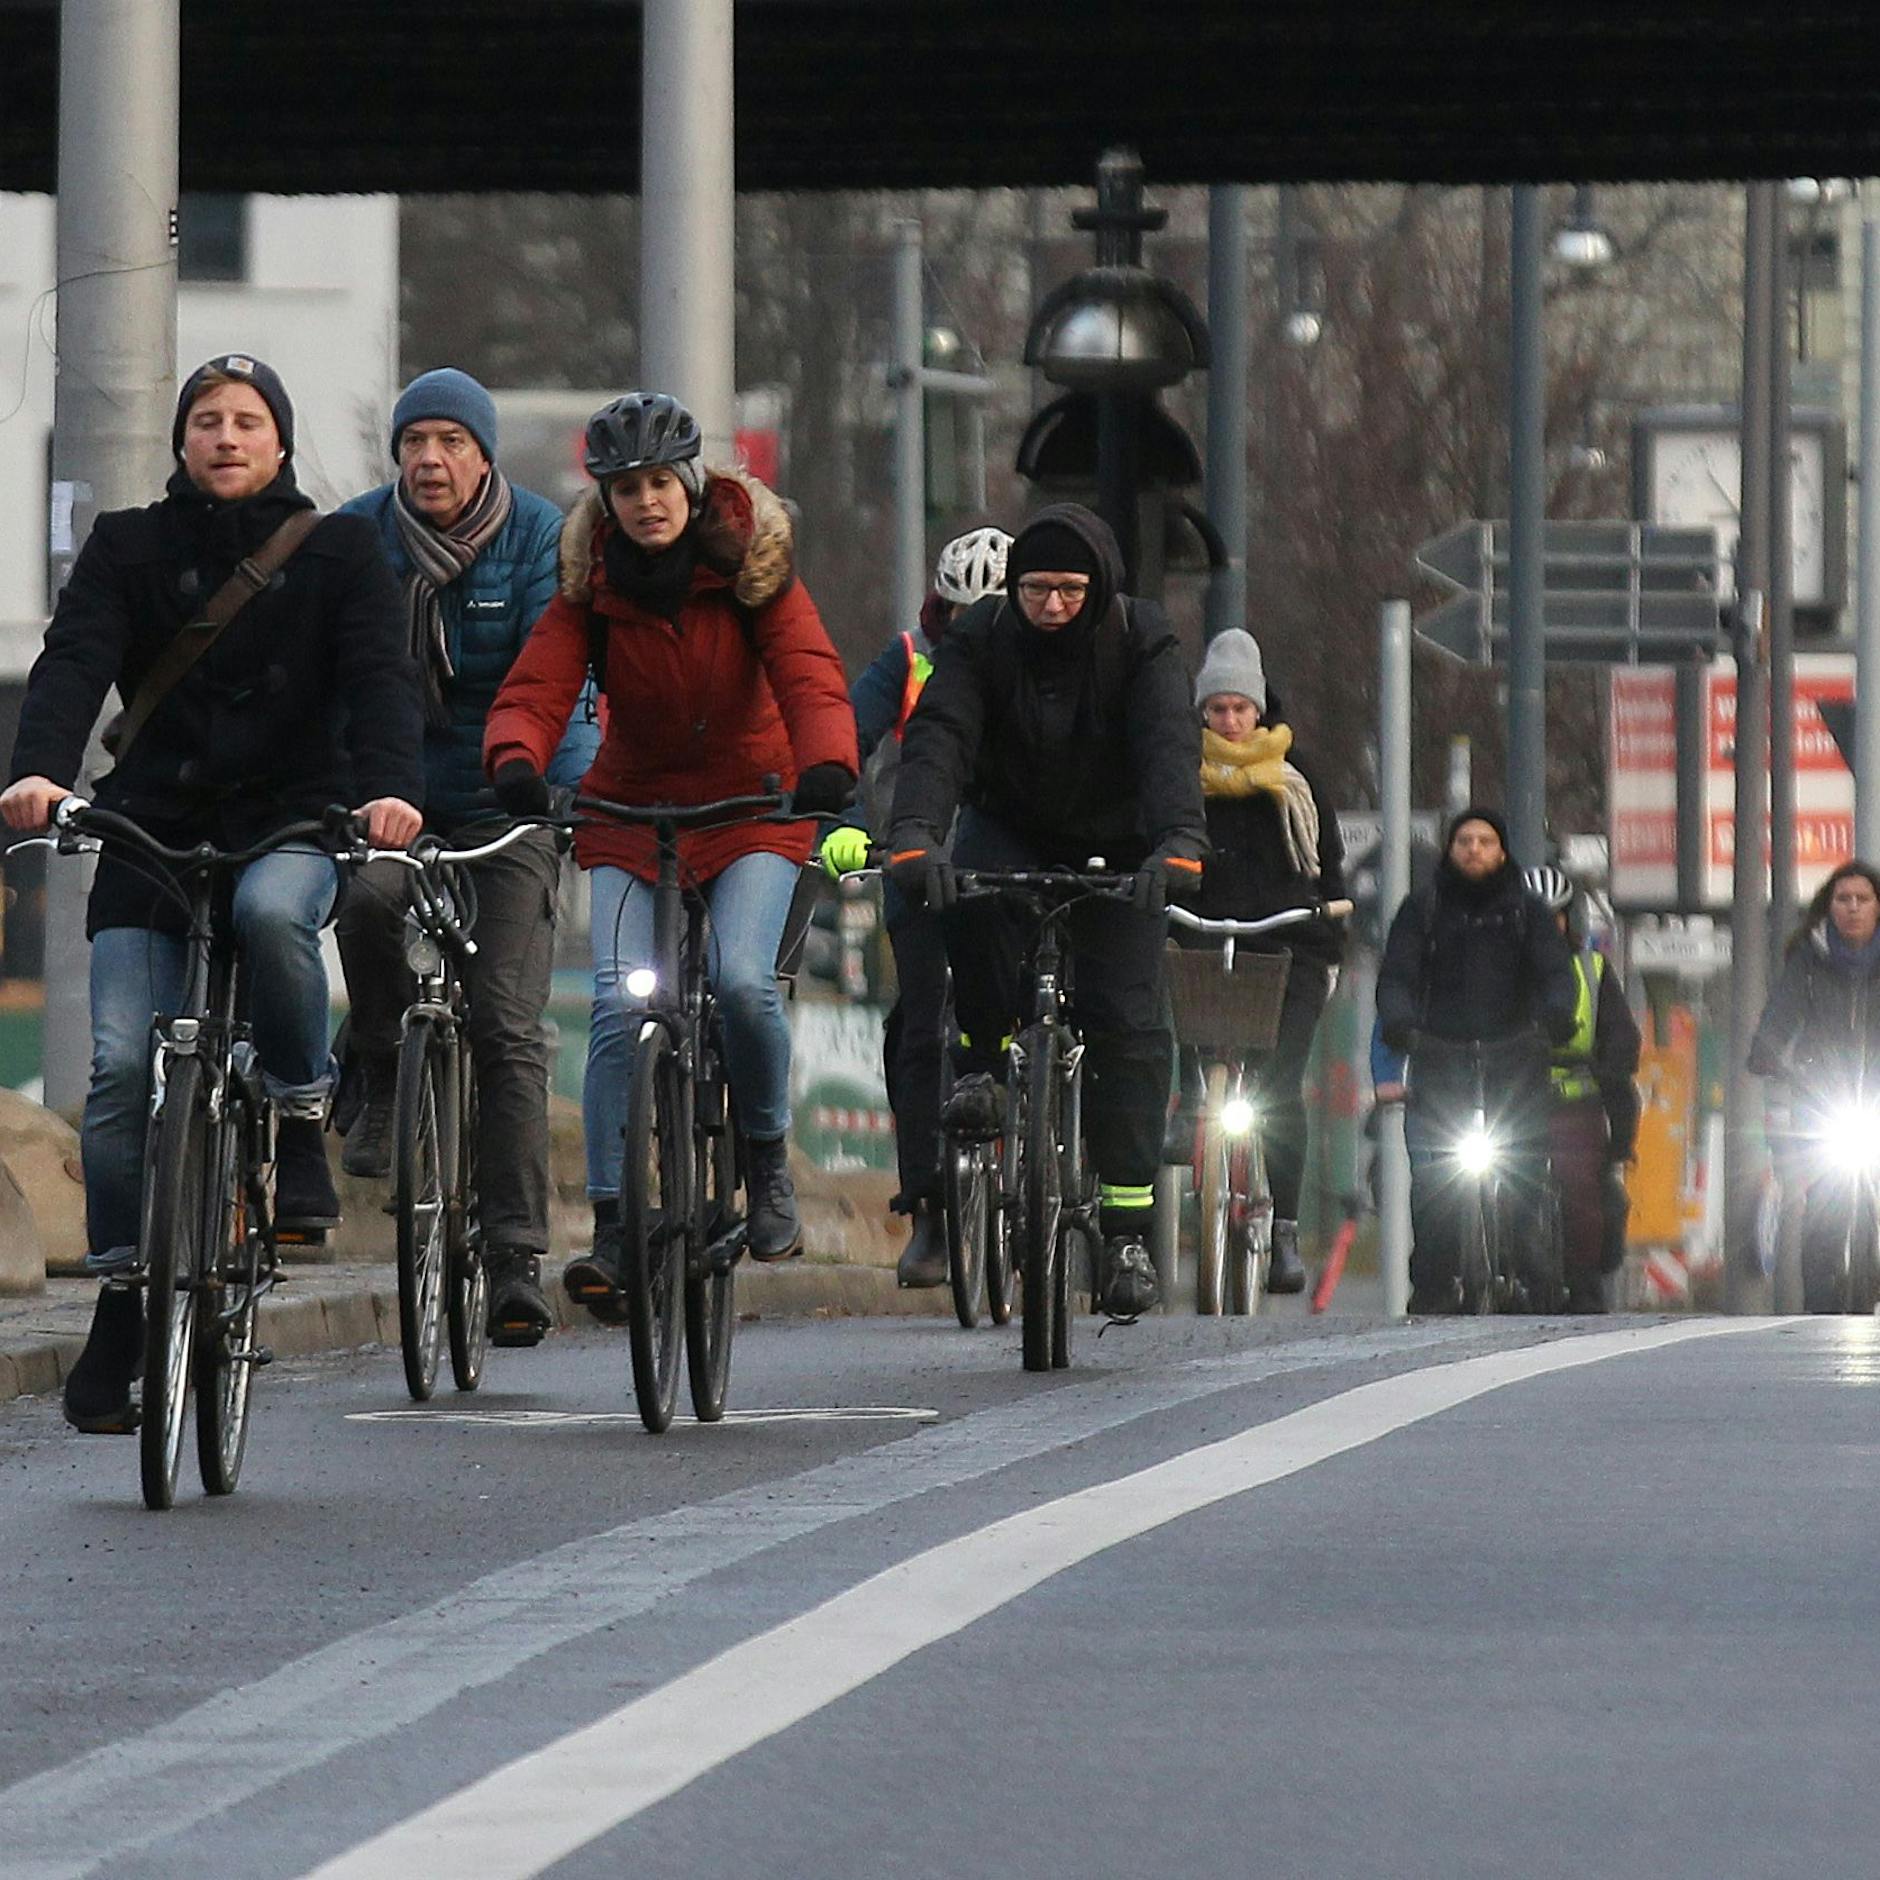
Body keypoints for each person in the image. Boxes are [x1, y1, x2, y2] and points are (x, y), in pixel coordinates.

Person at [1, 354, 423, 1433]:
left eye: (246, 421)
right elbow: (73, 657)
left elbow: (378, 677)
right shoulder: (129, 545)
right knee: (112, 1072)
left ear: (279, 441)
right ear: (181, 441)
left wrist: (385, 792)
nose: (226, 437)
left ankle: (292, 1115)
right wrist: (41, 768)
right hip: (152, 821)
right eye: (205, 420)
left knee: (275, 915)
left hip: (289, 816)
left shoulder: (338, 549)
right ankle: (123, 1295)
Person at [482, 391, 857, 1308]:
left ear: (691, 484)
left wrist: (828, 765)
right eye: (624, 489)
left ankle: (765, 1163)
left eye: (659, 483)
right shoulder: (592, 586)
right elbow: (536, 685)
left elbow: (809, 674)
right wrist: (517, 759)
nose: (645, 503)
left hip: (752, 809)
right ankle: (613, 1223)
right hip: (632, 815)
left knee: (740, 985)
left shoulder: (750, 570)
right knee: (616, 1005)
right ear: (603, 501)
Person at [886, 502, 1206, 1319]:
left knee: (1129, 1024)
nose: (1053, 606)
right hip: (1013, 824)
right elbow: (942, 736)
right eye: (1036, 589)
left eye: (1069, 589)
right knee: (967, 895)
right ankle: (988, 1066)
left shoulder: (1143, 642)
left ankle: (1128, 1229)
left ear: (1097, 588)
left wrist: (1176, 843)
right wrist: (918, 833)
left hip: (1121, 842)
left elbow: (1169, 746)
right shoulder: (982, 638)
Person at [333, 368, 597, 1347]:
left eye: (450, 441)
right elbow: (337, 677)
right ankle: (369, 1064)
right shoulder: (358, 534)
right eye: (414, 442)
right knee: (364, 905)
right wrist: (345, 789)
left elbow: (556, 673)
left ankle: (517, 1253)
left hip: (507, 798)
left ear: (482, 454)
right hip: (392, 800)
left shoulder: (535, 537)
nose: (430, 459)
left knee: (505, 1025)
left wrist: (555, 793)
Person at [820, 525, 1013, 1288]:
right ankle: (930, 1205)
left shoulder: (1043, 667)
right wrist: (842, 825)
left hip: (1008, 863)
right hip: (916, 857)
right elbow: (843, 744)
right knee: (923, 1024)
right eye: (961, 616)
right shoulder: (905, 661)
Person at [1179, 627, 1346, 1295]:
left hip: (1287, 946)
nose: (1229, 721)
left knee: (1281, 1085)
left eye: (1239, 709)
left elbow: (1328, 868)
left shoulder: (1297, 779)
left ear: (1259, 710)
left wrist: (1328, 910)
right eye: (1216, 710)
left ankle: (1285, 1228)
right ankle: (1187, 1122)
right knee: (1176, 1020)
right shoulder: (1179, 776)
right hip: (1202, 935)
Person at [1375, 807, 1576, 1312]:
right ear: (1450, 848)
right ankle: (1436, 1281)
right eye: (1464, 841)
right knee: (1435, 1179)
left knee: (1526, 1165)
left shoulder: (1527, 914)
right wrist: (1401, 1022)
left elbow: (1556, 975)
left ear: (1502, 850)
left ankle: (1532, 1271)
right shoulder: (1422, 910)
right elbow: (1397, 975)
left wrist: (1554, 1016)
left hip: (1516, 1057)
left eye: (1485, 841)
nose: (1474, 850)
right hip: (1440, 1057)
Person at [1748, 860, 1880, 1311]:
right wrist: (1769, 1053)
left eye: (1863, 899)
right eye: (1843, 899)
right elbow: (1779, 1019)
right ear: (1829, 906)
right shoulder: (1808, 960)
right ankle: (1820, 1310)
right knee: (1824, 1208)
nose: (1853, 908)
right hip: (1825, 1103)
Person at [1523, 863, 1641, 1312]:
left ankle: (1585, 1282)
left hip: (1576, 1104)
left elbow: (1621, 1034)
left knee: (1580, 1193)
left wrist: (1610, 1065)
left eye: (1552, 917)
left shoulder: (1592, 970)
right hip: (1513, 1106)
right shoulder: (1495, 971)